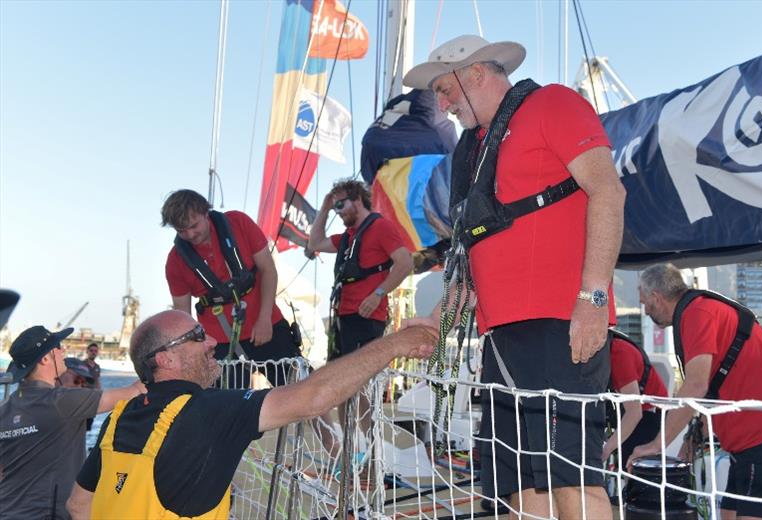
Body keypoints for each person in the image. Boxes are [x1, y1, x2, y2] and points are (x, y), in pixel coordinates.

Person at [402, 34, 626, 518]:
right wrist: (434, 326)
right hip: (499, 340)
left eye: (445, 88)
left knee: (573, 478)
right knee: (516, 484)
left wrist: (593, 300)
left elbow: (608, 192)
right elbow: (475, 256)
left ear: (477, 73)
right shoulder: (474, 150)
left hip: (561, 327)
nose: (442, 104)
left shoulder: (552, 104)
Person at [66, 309, 436, 519]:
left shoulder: (119, 417)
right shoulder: (207, 411)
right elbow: (314, 396)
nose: (212, 341)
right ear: (166, 359)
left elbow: (78, 505)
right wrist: (399, 342)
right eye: (197, 336)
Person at [631, 263, 762, 519]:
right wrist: (691, 439)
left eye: (645, 304)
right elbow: (712, 385)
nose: (646, 311)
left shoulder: (698, 313)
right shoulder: (700, 310)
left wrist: (657, 444)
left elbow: (697, 385)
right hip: (748, 441)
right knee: (727, 514)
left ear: (656, 297)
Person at [0, 326, 144, 520]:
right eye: (58, 347)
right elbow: (133, 393)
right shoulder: (61, 400)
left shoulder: (6, 408)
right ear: (45, 358)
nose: (63, 352)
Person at [162, 189, 301, 389]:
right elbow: (182, 315)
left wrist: (264, 319)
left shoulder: (239, 223)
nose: (190, 234)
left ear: (206, 213)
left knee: (301, 386)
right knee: (228, 406)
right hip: (219, 342)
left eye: (194, 226)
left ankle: (325, 423)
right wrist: (193, 352)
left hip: (265, 325)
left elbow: (268, 270)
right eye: (182, 231)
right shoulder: (175, 262)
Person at [307, 180, 412, 440]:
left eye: (341, 204)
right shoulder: (348, 237)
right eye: (335, 206)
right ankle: (353, 443)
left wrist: (378, 294)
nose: (338, 210)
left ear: (357, 199)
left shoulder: (380, 227)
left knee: (359, 383)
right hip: (344, 317)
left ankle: (370, 446)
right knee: (341, 382)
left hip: (366, 317)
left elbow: (405, 262)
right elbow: (315, 243)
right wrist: (323, 208)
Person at [602, 330, 669, 470]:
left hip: (647, 417)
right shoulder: (615, 348)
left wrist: (606, 449)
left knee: (636, 473)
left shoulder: (618, 354)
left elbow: (634, 413)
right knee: (630, 472)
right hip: (643, 414)